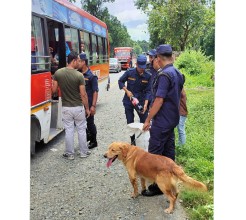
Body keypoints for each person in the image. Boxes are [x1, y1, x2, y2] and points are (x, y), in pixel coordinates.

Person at [142, 44, 184, 196]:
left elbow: (159, 100)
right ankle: (170, 181)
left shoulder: (164, 75)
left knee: (154, 154)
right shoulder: (177, 73)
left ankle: (156, 187)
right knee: (168, 151)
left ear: (158, 58)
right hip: (172, 119)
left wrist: (147, 120)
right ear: (171, 56)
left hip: (162, 121)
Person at [52, 51, 91, 160]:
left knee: (69, 130)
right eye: (78, 60)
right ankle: (84, 152)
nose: (79, 62)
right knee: (81, 130)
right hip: (78, 108)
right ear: (73, 61)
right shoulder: (79, 75)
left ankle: (70, 154)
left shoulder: (58, 73)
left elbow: (54, 90)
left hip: (66, 108)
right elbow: (83, 95)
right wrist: (87, 108)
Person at [118, 54, 151, 145]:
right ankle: (133, 142)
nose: (141, 69)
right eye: (140, 67)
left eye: (143, 67)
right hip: (129, 100)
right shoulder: (130, 72)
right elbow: (120, 81)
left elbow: (149, 91)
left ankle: (144, 141)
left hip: (141, 101)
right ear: (136, 64)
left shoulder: (148, 76)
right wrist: (126, 91)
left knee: (144, 120)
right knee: (130, 122)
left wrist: (145, 104)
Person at [78, 53, 99, 149]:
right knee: (79, 123)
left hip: (89, 103)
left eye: (79, 61)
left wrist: (93, 106)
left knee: (90, 123)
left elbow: (95, 92)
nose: (77, 63)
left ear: (84, 62)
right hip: (78, 104)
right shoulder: (77, 74)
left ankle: (94, 141)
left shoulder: (91, 76)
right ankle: (87, 136)